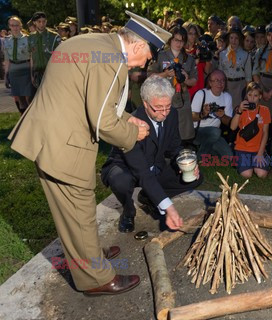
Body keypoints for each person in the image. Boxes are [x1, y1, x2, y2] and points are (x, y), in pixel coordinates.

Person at [8, 11, 169, 296]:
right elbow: (103, 122)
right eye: (148, 56)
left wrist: (126, 119)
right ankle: (95, 278)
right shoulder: (112, 63)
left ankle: (90, 256)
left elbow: (86, 98)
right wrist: (134, 133)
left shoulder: (93, 43)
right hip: (63, 147)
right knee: (80, 212)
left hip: (50, 137)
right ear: (138, 46)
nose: (146, 63)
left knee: (74, 214)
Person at [101, 75, 202, 233]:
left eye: (167, 106)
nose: (164, 113)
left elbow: (174, 146)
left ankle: (148, 198)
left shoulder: (172, 114)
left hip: (154, 166)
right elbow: (141, 171)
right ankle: (128, 212)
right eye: (158, 108)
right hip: (127, 167)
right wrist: (168, 207)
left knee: (194, 176)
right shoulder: (133, 122)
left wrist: (186, 162)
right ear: (145, 103)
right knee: (120, 180)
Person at [148, 26, 198, 142]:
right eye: (176, 40)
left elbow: (194, 80)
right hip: (164, 98)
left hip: (182, 99)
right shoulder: (160, 56)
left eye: (181, 41)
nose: (179, 43)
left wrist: (185, 79)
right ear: (170, 40)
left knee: (183, 135)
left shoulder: (189, 59)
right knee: (165, 134)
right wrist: (165, 74)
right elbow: (149, 77)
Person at [231, 82, 271, 178]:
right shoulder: (240, 109)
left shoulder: (265, 110)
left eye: (255, 95)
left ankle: (263, 158)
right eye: (249, 95)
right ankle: (241, 161)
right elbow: (232, 127)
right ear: (246, 95)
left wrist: (260, 153)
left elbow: (265, 132)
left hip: (257, 148)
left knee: (262, 174)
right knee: (247, 175)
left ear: (260, 96)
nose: (252, 98)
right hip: (242, 147)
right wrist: (239, 111)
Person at [191, 70, 234, 158]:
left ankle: (200, 148)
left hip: (214, 134)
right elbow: (190, 117)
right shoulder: (201, 94)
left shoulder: (227, 97)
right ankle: (200, 157)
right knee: (215, 132)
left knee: (229, 157)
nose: (220, 83)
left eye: (222, 80)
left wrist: (222, 116)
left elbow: (230, 123)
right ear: (210, 83)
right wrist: (203, 114)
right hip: (197, 131)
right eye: (216, 80)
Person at [3, 16, 34, 113]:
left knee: (29, 96)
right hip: (14, 69)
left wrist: (32, 72)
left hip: (26, 68)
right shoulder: (6, 40)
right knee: (20, 98)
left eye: (16, 25)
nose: (15, 27)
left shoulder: (28, 39)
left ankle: (32, 117)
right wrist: (6, 74)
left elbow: (32, 57)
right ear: (9, 27)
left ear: (20, 26)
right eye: (12, 25)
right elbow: (7, 58)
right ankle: (23, 118)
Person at [218, 27, 252, 108]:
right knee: (226, 108)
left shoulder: (246, 54)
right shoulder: (222, 54)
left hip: (240, 86)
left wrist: (248, 93)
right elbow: (220, 72)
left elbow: (248, 76)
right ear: (228, 39)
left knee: (238, 109)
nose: (234, 40)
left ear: (240, 39)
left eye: (236, 38)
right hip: (226, 85)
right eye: (231, 38)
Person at [28, 12, 61, 88]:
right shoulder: (31, 38)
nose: (42, 24)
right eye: (39, 21)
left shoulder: (54, 36)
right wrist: (31, 75)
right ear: (34, 22)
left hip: (51, 73)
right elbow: (31, 57)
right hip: (37, 74)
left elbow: (59, 56)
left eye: (44, 21)